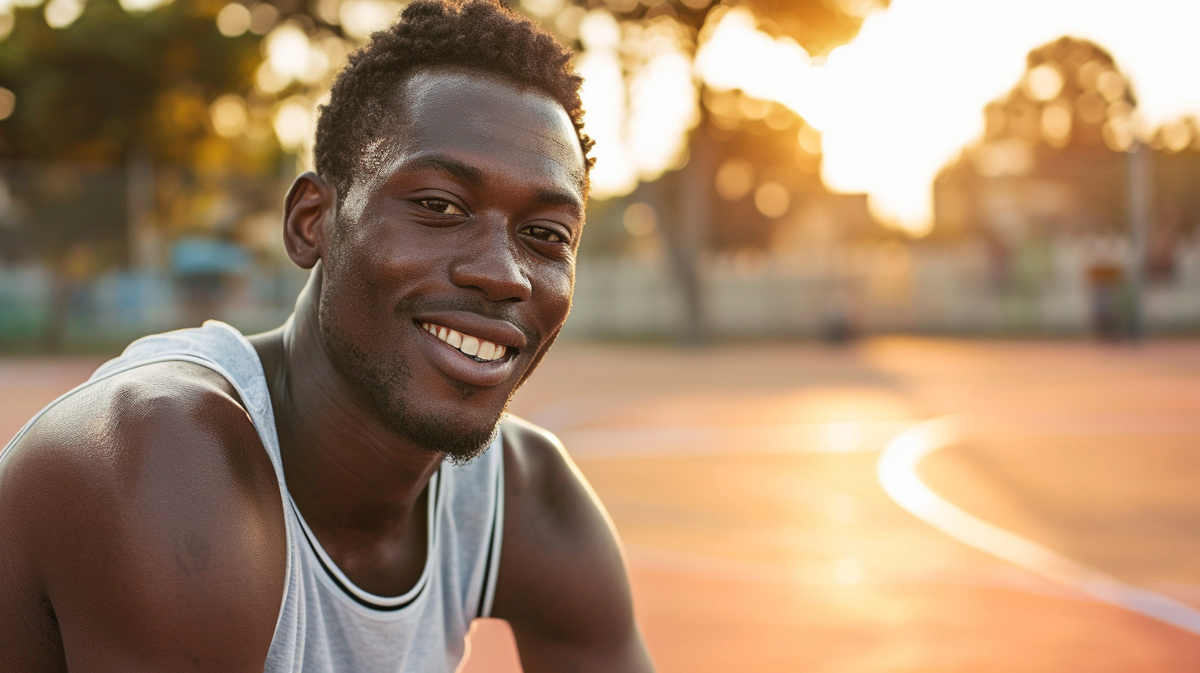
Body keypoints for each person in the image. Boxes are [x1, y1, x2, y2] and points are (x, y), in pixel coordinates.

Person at [0, 1, 655, 670]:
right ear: (311, 221)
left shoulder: (525, 497)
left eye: (545, 234)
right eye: (439, 206)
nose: (502, 273)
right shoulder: (163, 456)